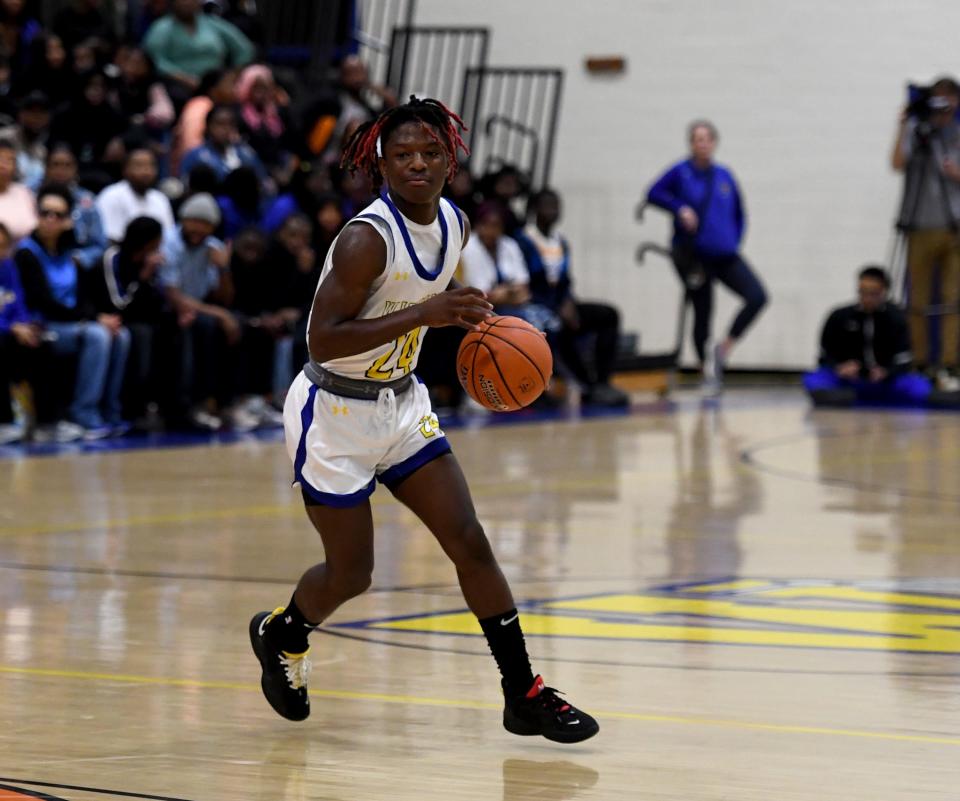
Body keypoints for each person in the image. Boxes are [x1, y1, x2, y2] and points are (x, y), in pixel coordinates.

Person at [247, 96, 598, 743]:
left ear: (450, 160)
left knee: (469, 539)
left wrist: (470, 320)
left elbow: (421, 303)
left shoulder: (456, 223)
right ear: (381, 162)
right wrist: (424, 316)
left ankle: (522, 691)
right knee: (353, 573)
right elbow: (322, 338)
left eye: (430, 153)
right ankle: (283, 632)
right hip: (335, 413)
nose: (417, 164)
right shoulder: (363, 239)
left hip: (402, 404)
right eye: (403, 154)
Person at [646, 119, 768, 395]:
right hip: (693, 256)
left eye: (706, 138)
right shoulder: (681, 172)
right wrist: (679, 208)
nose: (701, 143)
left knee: (757, 296)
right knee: (703, 311)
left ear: (714, 143)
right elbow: (653, 193)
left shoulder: (724, 175)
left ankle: (723, 349)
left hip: (724, 254)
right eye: (696, 139)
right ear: (691, 144)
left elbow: (740, 213)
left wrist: (732, 240)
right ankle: (707, 370)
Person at [15, 184, 129, 437]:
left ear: (68, 220)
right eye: (45, 213)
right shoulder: (26, 253)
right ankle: (83, 412)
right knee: (97, 335)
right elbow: (41, 301)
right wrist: (92, 320)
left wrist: (98, 317)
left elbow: (83, 297)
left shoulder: (70, 252)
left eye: (58, 215)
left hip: (72, 321)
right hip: (43, 323)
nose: (50, 220)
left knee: (120, 335)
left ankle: (109, 410)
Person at [516, 188, 630, 407]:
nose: (553, 210)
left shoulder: (561, 242)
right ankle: (582, 384)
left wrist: (568, 301)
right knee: (557, 328)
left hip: (560, 304)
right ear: (534, 210)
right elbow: (525, 283)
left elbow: (565, 280)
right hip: (536, 307)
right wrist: (558, 307)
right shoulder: (523, 241)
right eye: (547, 205)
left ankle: (602, 383)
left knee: (608, 315)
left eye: (557, 205)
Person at [891, 76, 960, 388]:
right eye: (937, 101)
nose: (942, 108)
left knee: (953, 299)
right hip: (918, 226)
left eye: (948, 101)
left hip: (954, 227)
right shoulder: (917, 132)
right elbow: (896, 163)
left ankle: (949, 362)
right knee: (916, 299)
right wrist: (904, 124)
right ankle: (918, 361)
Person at [158, 191, 242, 431]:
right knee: (206, 325)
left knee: (237, 327)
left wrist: (224, 269)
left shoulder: (212, 247)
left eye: (204, 224)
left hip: (198, 308)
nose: (197, 228)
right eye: (193, 221)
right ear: (182, 220)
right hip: (166, 309)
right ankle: (190, 405)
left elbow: (224, 297)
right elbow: (173, 295)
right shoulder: (169, 243)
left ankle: (224, 402)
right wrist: (221, 315)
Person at [803, 266, 931, 407]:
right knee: (814, 380)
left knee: (918, 385)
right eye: (863, 293)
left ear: (884, 292)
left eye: (873, 294)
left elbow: (904, 358)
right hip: (848, 380)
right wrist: (840, 367)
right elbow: (824, 354)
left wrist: (886, 372)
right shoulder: (839, 316)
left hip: (885, 381)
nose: (867, 299)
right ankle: (845, 396)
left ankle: (859, 397)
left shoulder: (896, 318)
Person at [99, 216, 166, 424]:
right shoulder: (113, 257)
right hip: (116, 318)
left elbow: (157, 300)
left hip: (146, 320)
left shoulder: (152, 260)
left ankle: (168, 405)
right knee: (140, 335)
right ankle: (130, 408)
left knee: (171, 329)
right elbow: (118, 303)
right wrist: (143, 276)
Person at [143, 0, 253, 101]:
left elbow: (244, 48)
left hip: (215, 82)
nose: (186, 3)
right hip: (178, 84)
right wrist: (184, 78)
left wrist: (232, 74)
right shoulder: (162, 27)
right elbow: (155, 59)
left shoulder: (211, 23)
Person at [40, 144, 106, 271]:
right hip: (38, 259)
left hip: (76, 265)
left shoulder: (87, 200)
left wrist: (80, 258)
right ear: (46, 168)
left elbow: (99, 245)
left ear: (75, 169)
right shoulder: (32, 194)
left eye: (67, 165)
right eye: (56, 164)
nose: (61, 171)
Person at [96, 148, 176, 243]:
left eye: (151, 165)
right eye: (139, 166)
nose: (146, 171)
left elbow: (169, 236)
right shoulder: (111, 195)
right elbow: (110, 237)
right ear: (125, 170)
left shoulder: (160, 198)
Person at [179, 104, 268, 184]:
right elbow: (185, 185)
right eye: (220, 124)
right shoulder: (195, 155)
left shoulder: (246, 154)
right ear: (208, 126)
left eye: (230, 124)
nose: (225, 129)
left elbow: (263, 182)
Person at [0, 137, 36, 240]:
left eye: (10, 160)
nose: (4, 165)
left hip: (24, 254)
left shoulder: (24, 192)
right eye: (0, 159)